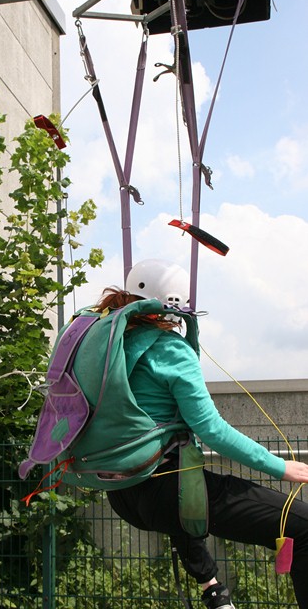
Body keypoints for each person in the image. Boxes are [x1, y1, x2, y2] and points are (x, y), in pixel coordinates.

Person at [90, 259, 308, 609]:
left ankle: (214, 590)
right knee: (304, 526)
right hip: (166, 490)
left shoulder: (110, 347)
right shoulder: (169, 349)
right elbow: (212, 430)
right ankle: (214, 589)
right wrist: (281, 467)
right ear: (175, 304)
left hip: (122, 493)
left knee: (188, 492)